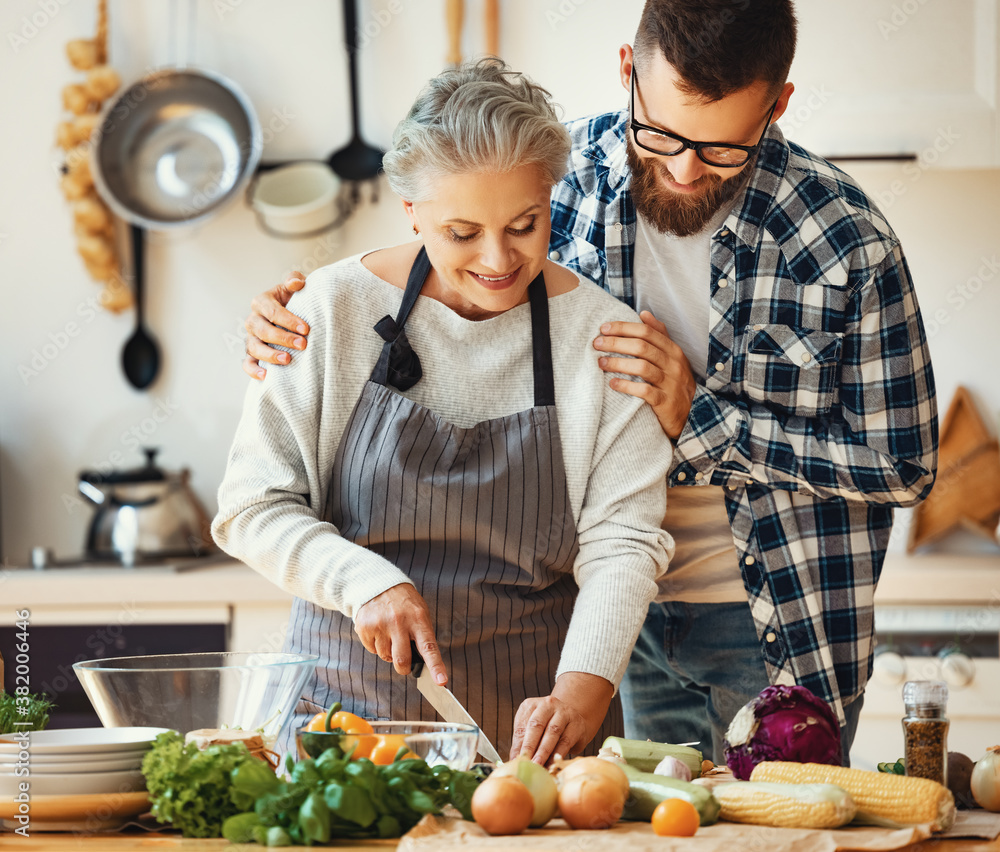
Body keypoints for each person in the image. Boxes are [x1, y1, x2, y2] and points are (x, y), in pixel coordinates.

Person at [241, 0, 937, 762]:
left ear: (778, 105)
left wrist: (701, 418)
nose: (683, 167)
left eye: (723, 149)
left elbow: (903, 463)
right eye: (661, 133)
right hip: (603, 625)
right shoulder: (551, 180)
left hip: (769, 616)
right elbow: (445, 245)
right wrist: (297, 315)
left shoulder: (844, 240)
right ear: (626, 71)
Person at [213, 59, 675, 765]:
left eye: (526, 223)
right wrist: (365, 582)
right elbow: (251, 506)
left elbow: (623, 542)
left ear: (551, 196)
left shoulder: (601, 339)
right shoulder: (327, 313)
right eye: (462, 232)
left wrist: (583, 691)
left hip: (537, 747)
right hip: (342, 735)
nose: (498, 258)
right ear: (411, 212)